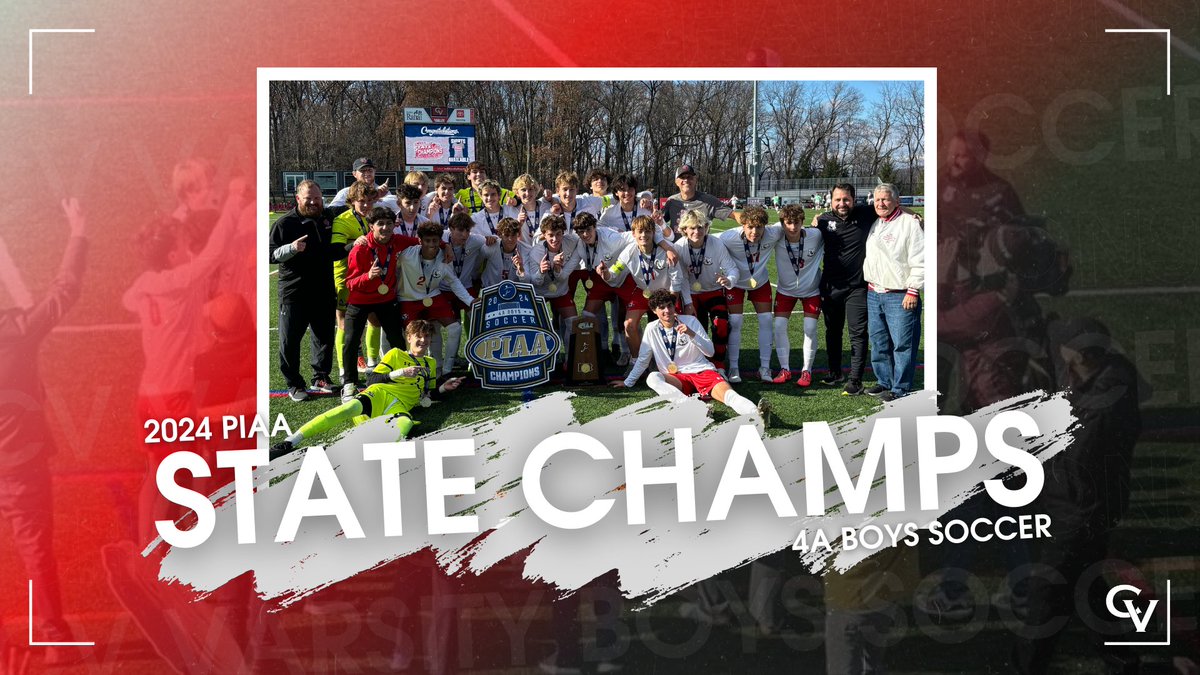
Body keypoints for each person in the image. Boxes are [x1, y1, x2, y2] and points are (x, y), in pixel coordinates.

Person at [0, 199, 88, 666]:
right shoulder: (16, 330)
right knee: (35, 552)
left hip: (19, 465)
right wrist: (78, 231)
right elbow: (64, 290)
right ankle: (53, 637)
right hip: (20, 466)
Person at [271, 320, 465, 458]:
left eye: (427, 337)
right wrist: (399, 373)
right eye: (419, 336)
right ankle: (290, 442)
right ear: (409, 337)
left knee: (405, 425)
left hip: (400, 407)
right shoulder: (396, 354)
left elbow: (428, 394)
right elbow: (372, 379)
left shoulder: (430, 363)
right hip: (380, 394)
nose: (423, 340)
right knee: (347, 409)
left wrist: (444, 388)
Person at [611, 290, 769, 422]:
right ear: (654, 311)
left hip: (702, 371)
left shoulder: (690, 321)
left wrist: (691, 333)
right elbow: (643, 359)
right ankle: (695, 408)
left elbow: (710, 352)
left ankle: (758, 414)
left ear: (674, 306)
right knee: (652, 378)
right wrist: (628, 382)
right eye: (662, 308)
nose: (667, 311)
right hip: (677, 378)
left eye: (669, 305)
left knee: (730, 396)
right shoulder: (651, 329)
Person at [340, 207, 423, 399]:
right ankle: (349, 383)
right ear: (371, 226)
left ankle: (402, 375)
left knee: (397, 339)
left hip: (386, 300)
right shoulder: (360, 248)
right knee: (351, 341)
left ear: (394, 224)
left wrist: (445, 246)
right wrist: (368, 276)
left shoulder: (397, 241)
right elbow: (350, 282)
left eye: (389, 223)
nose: (385, 227)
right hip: (360, 301)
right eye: (380, 224)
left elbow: (420, 241)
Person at [269, 179, 340, 401]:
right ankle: (294, 383)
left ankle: (321, 377)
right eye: (308, 198)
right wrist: (291, 248)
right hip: (294, 292)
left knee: (324, 337)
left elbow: (355, 204)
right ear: (298, 198)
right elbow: (269, 254)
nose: (313, 202)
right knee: (290, 341)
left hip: (324, 290)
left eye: (317, 198)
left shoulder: (328, 217)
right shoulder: (284, 224)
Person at [863, 184, 924, 401]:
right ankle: (884, 381)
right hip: (874, 292)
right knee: (879, 342)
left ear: (897, 202)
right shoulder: (876, 222)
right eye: (877, 200)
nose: (880, 203)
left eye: (886, 199)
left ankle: (900, 387)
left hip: (899, 294)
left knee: (902, 344)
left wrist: (913, 290)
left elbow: (921, 258)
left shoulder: (910, 224)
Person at [813, 183, 873, 394]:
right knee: (833, 331)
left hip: (858, 287)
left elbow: (895, 207)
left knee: (857, 333)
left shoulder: (867, 213)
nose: (842, 203)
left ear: (854, 199)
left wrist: (915, 216)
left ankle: (855, 380)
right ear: (831, 201)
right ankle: (835, 372)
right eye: (837, 199)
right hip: (831, 287)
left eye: (846, 199)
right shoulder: (822, 221)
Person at [397, 222, 476, 377]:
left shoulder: (445, 257)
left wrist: (470, 300)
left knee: (455, 328)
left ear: (440, 241)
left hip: (432, 295)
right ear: (420, 241)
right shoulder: (406, 256)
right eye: (427, 241)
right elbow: (394, 271)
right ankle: (413, 368)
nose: (432, 245)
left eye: (435, 241)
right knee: (411, 334)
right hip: (408, 298)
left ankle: (446, 370)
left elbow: (453, 281)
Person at [601, 216, 682, 359]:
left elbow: (676, 279)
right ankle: (637, 361)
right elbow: (614, 271)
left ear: (653, 233)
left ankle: (665, 360)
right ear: (633, 234)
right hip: (642, 293)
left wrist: (672, 303)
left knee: (668, 326)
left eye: (647, 231)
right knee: (629, 325)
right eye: (640, 231)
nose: (644, 235)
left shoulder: (667, 251)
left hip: (665, 295)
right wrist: (605, 273)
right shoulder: (629, 251)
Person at [718, 206, 782, 383]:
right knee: (735, 321)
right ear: (743, 225)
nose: (754, 232)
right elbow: (705, 240)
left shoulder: (773, 233)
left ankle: (765, 367)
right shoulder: (728, 237)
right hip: (735, 283)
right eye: (750, 227)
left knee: (766, 320)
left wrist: (815, 224)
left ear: (765, 226)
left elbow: (790, 225)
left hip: (760, 281)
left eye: (759, 227)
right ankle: (734, 367)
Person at [331, 181, 384, 381]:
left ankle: (372, 362)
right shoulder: (342, 220)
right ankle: (344, 368)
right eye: (361, 201)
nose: (366, 205)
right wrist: (354, 243)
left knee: (375, 319)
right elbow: (336, 252)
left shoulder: (376, 217)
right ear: (352, 201)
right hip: (346, 277)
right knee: (344, 323)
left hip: (371, 275)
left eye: (370, 201)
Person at [673, 209, 738, 372]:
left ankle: (719, 363)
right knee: (693, 330)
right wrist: (688, 303)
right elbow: (682, 278)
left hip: (713, 290)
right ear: (684, 229)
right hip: (690, 294)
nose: (697, 231)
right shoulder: (679, 247)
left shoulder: (716, 243)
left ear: (706, 227)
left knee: (721, 324)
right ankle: (699, 363)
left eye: (700, 227)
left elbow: (732, 268)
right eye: (692, 228)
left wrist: (729, 279)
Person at [770, 203, 824, 386]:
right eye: (788, 223)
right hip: (785, 291)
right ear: (782, 223)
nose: (792, 227)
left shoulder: (816, 235)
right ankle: (784, 369)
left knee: (810, 328)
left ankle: (806, 371)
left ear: (803, 221)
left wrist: (821, 219)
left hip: (811, 290)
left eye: (797, 222)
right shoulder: (776, 235)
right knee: (779, 326)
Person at [663, 164, 733, 237]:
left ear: (695, 179)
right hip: (676, 244)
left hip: (700, 244)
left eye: (689, 177)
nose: (686, 180)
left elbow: (734, 214)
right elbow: (660, 221)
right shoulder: (672, 201)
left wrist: (741, 220)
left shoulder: (708, 201)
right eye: (682, 177)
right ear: (676, 182)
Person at [329, 157, 396, 212]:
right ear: (354, 174)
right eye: (362, 170)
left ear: (374, 171)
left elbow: (396, 208)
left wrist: (376, 196)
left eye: (370, 170)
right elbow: (332, 211)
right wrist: (356, 206)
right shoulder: (346, 192)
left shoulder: (383, 191)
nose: (367, 173)